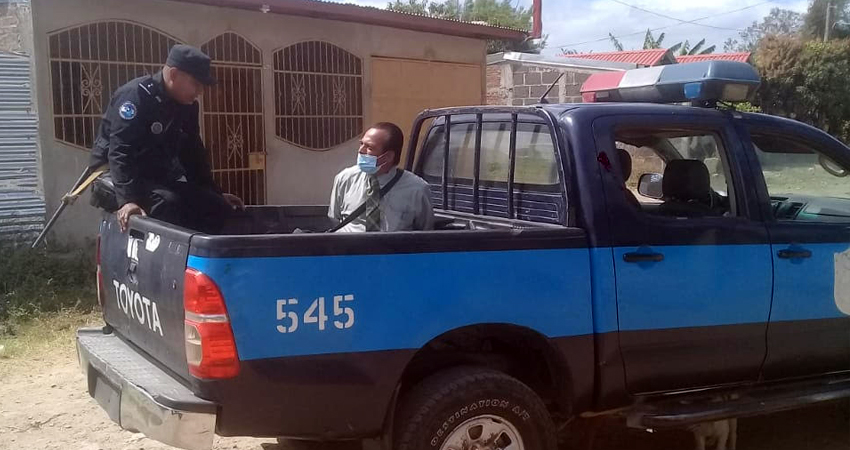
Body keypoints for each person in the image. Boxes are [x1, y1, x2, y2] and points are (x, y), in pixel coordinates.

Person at [89, 44, 242, 233]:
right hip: (117, 177)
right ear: (174, 74)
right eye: (196, 84)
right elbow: (120, 151)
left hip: (154, 178)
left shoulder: (186, 106)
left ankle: (202, 261)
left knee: (216, 207)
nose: (200, 92)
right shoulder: (136, 97)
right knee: (168, 205)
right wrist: (128, 201)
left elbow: (193, 155)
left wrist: (215, 194)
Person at [328, 122, 434, 232]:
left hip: (392, 248)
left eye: (369, 147)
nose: (360, 150)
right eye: (361, 144)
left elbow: (425, 231)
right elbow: (335, 218)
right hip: (350, 248)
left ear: (388, 156)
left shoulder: (417, 189)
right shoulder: (345, 179)